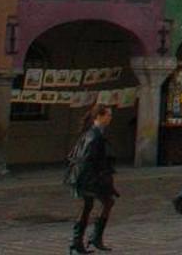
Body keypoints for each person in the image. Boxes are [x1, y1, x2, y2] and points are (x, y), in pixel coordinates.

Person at [68, 104, 118, 255]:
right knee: (90, 206)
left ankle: (92, 238)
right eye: (108, 115)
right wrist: (99, 178)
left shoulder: (96, 133)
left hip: (93, 176)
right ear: (99, 116)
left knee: (104, 203)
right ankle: (79, 242)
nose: (110, 118)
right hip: (88, 177)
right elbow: (88, 159)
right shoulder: (93, 135)